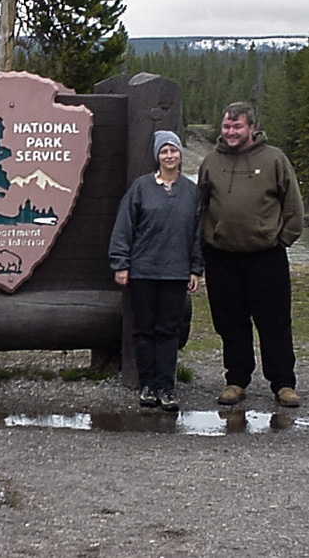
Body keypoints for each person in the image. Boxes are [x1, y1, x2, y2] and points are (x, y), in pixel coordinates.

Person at [198, 102, 304, 408]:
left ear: (251, 128)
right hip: (222, 258)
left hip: (266, 257)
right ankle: (236, 380)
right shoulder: (210, 162)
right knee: (230, 324)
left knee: (274, 323)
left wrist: (282, 239)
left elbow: (293, 206)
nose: (231, 132)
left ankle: (283, 383)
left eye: (237, 127)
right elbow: (201, 207)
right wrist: (206, 244)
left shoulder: (274, 159)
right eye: (227, 127)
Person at [109, 130, 203, 412]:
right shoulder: (140, 188)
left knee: (169, 331)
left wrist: (196, 268)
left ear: (180, 155)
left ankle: (168, 387)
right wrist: (121, 263)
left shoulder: (191, 191)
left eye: (173, 150)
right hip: (143, 271)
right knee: (144, 330)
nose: (169, 155)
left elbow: (197, 233)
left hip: (176, 273)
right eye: (164, 151)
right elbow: (124, 227)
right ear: (157, 156)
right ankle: (147, 385)